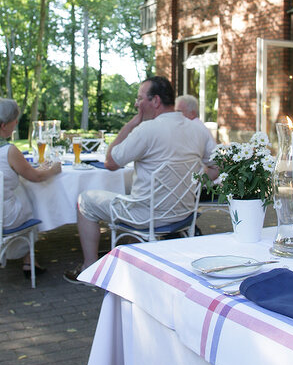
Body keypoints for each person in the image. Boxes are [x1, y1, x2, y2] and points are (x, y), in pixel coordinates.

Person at [64, 76, 217, 282]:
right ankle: (130, 257)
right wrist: (194, 182)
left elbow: (110, 163)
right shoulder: (197, 128)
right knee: (130, 192)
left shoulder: (147, 129)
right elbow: (216, 167)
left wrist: (131, 124)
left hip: (146, 215)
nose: (137, 104)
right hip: (184, 213)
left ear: (155, 101)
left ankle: (89, 267)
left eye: (139, 98)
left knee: (85, 201)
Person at [0, 97, 60, 276]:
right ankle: (28, 260)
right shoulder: (9, 150)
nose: (16, 123)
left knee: (18, 195)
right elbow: (36, 177)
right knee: (30, 201)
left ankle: (11, 256)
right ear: (3, 125)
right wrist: (53, 169)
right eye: (14, 121)